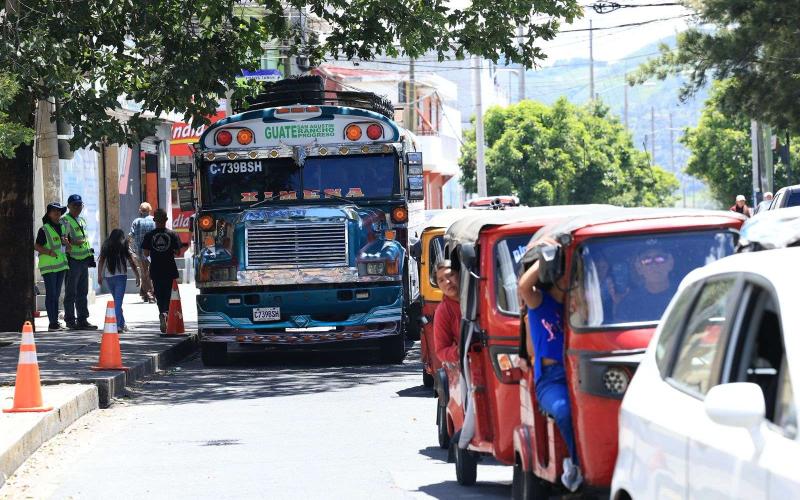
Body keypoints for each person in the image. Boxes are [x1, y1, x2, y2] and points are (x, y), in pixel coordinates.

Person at [518, 239, 582, 492]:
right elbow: (524, 286)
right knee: (565, 411)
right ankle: (578, 465)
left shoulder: (578, 304)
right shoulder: (539, 301)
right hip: (551, 379)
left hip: (579, 374)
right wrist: (548, 256)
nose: (570, 279)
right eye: (565, 272)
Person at [615, 242, 677, 323]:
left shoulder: (685, 295)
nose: (654, 265)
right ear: (639, 267)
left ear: (670, 263)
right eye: (647, 260)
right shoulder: (628, 304)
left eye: (660, 259)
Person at [142, 209, 181, 333]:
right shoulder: (172, 234)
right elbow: (178, 252)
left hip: (156, 269)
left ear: (154, 221)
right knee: (169, 295)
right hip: (169, 268)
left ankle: (162, 313)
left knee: (159, 294)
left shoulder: (149, 235)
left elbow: (146, 253)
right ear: (166, 220)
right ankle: (167, 315)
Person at [61, 194, 97, 330]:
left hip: (83, 260)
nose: (77, 207)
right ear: (69, 206)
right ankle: (70, 320)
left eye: (80, 205)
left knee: (83, 292)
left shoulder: (82, 220)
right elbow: (63, 238)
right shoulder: (65, 220)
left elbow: (84, 240)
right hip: (72, 260)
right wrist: (73, 242)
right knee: (71, 292)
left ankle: (82, 319)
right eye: (74, 205)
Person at [35, 203, 70, 331]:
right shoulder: (44, 229)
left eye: (59, 211)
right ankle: (52, 323)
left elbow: (64, 246)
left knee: (56, 295)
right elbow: (37, 246)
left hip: (60, 266)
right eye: (55, 211)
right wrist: (49, 252)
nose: (57, 214)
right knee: (51, 294)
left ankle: (55, 321)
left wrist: (67, 244)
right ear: (49, 214)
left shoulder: (61, 227)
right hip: (49, 266)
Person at [97, 229, 140, 332]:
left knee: (117, 302)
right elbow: (131, 261)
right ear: (121, 237)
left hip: (109, 277)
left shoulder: (106, 245)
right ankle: (117, 326)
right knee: (118, 302)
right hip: (120, 277)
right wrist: (137, 275)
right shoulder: (123, 245)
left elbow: (101, 261)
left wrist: (100, 275)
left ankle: (122, 323)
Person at [433, 260, 461, 367]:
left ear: (459, 274)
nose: (447, 282)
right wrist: (458, 352)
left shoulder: (480, 295)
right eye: (441, 280)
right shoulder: (443, 311)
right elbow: (441, 351)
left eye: (450, 275)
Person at [128, 202, 156, 303]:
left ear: (140, 211)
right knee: (150, 273)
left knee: (144, 273)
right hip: (153, 251)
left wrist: (129, 248)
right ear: (150, 210)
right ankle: (148, 293)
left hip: (140, 252)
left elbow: (130, 235)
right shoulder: (154, 220)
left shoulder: (136, 221)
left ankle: (147, 293)